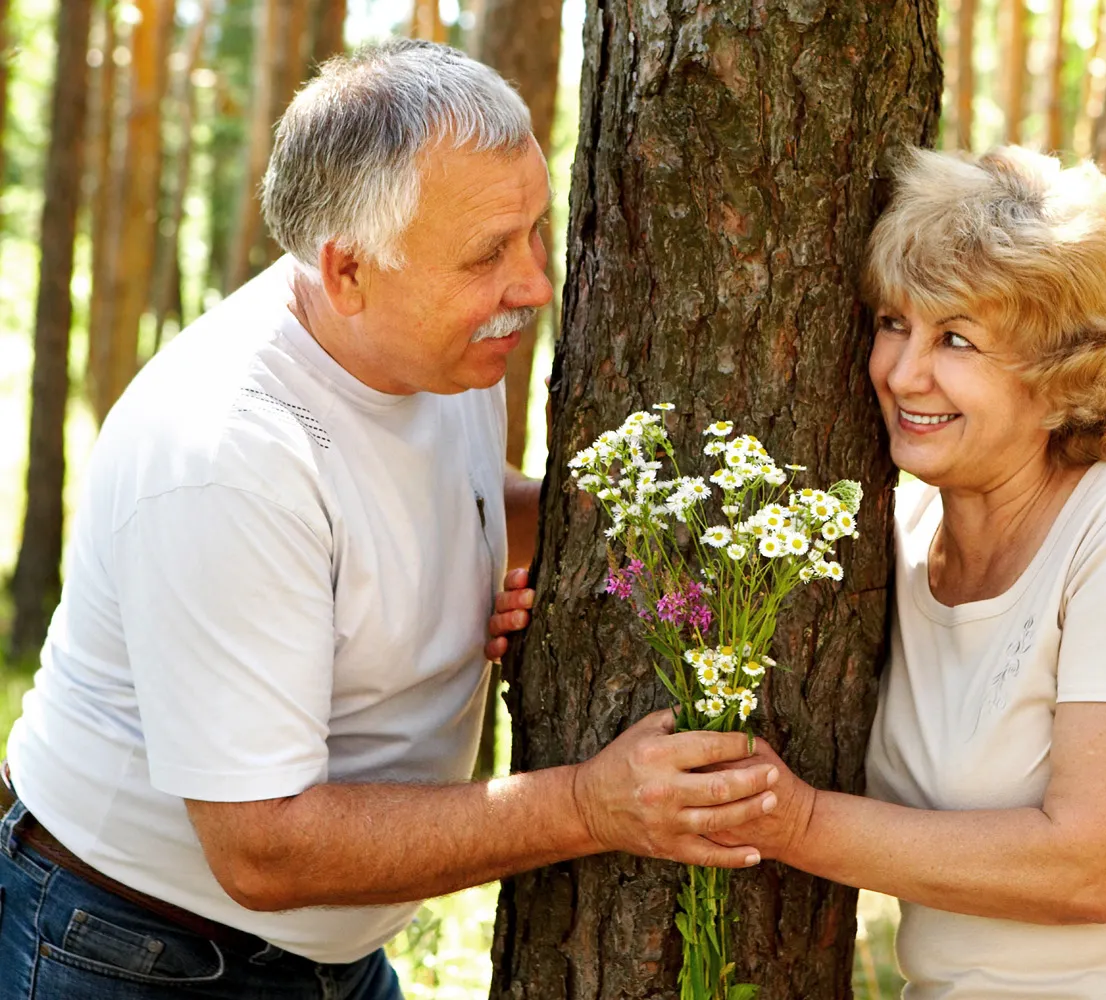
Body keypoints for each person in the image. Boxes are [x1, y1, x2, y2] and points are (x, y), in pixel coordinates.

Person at [0, 41, 778, 999]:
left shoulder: (430, 350)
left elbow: (446, 498)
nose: (534, 284)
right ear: (349, 270)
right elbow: (265, 850)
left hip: (325, 957)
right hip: (134, 951)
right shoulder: (229, 457)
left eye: (536, 230)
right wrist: (591, 804)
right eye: (488, 254)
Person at [712, 146, 1106, 998]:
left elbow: (1093, 866)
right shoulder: (889, 544)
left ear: (1063, 381)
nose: (903, 373)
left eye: (958, 339)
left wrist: (793, 822)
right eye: (894, 322)